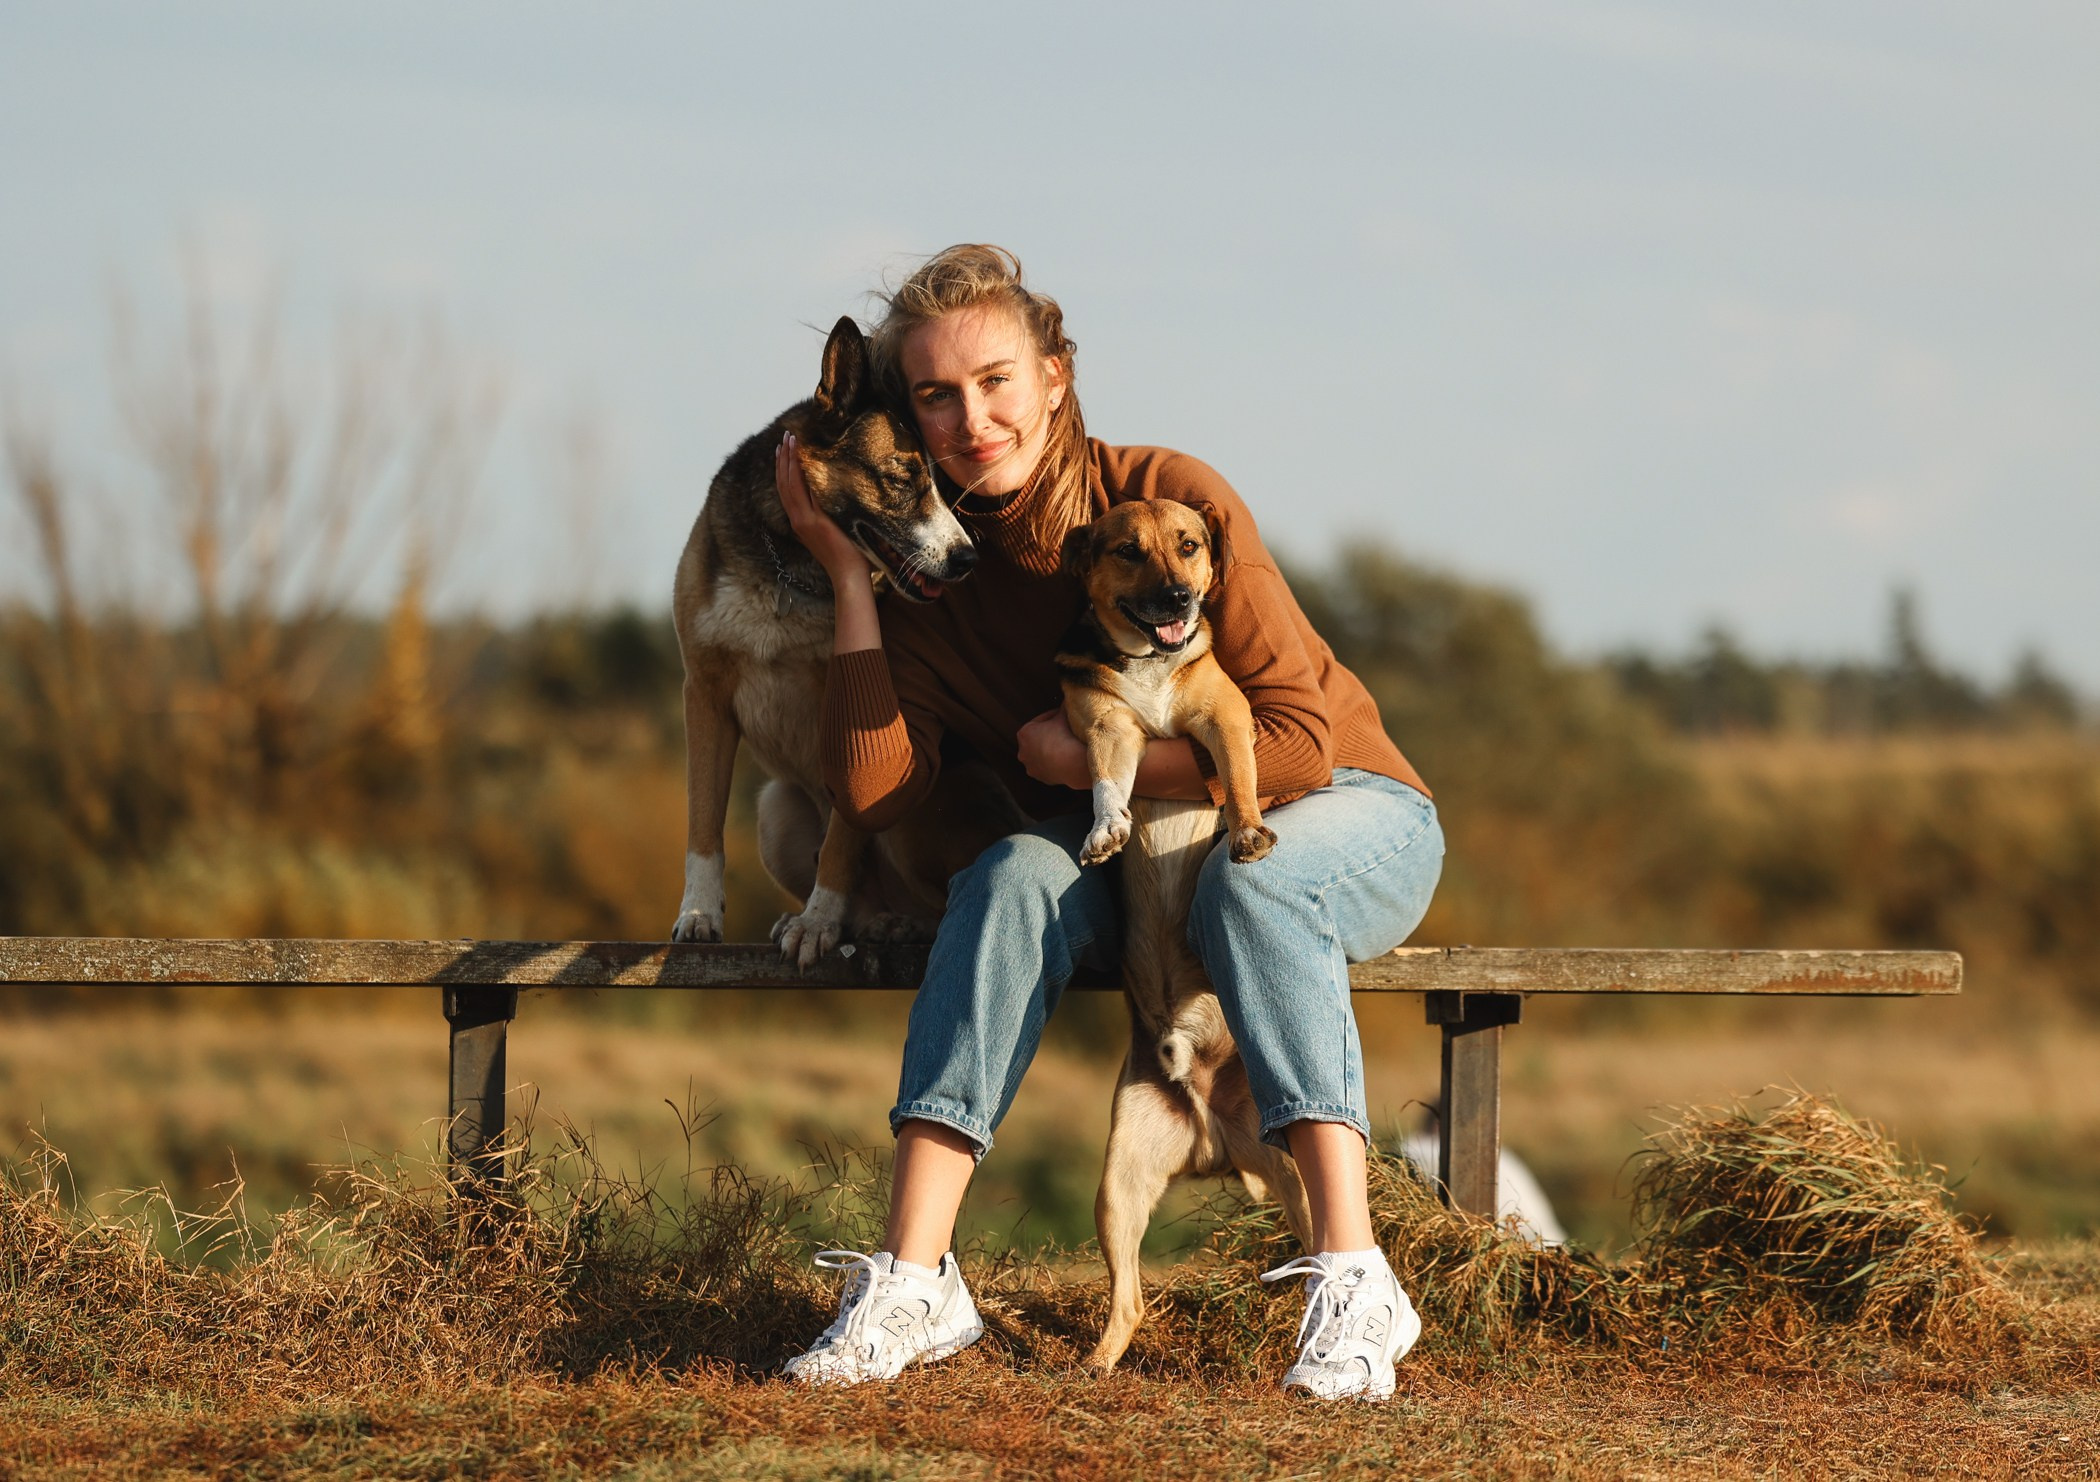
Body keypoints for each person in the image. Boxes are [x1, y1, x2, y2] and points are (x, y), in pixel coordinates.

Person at [771, 244, 1444, 1401]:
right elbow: (877, 798)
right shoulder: (926, 589)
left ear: (1054, 378)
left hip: (1334, 813)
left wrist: (1087, 752)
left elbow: (1298, 743)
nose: (972, 418)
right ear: (909, 417)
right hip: (1122, 845)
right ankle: (914, 1278)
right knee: (1005, 879)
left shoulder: (1173, 496)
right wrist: (846, 581)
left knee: (1257, 882)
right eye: (935, 395)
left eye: (996, 381)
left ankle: (1355, 1271)